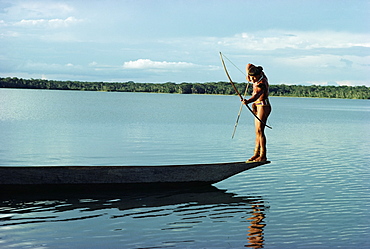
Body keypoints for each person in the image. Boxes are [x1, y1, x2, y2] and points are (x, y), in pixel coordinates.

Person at [242, 64, 271, 162]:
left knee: (260, 131)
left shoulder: (262, 83)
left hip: (263, 106)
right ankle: (256, 154)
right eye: (251, 78)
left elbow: (256, 95)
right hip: (257, 106)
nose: (252, 80)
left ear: (259, 75)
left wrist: (247, 101)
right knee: (257, 132)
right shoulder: (258, 74)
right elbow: (249, 65)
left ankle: (263, 155)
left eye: (254, 78)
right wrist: (248, 74)